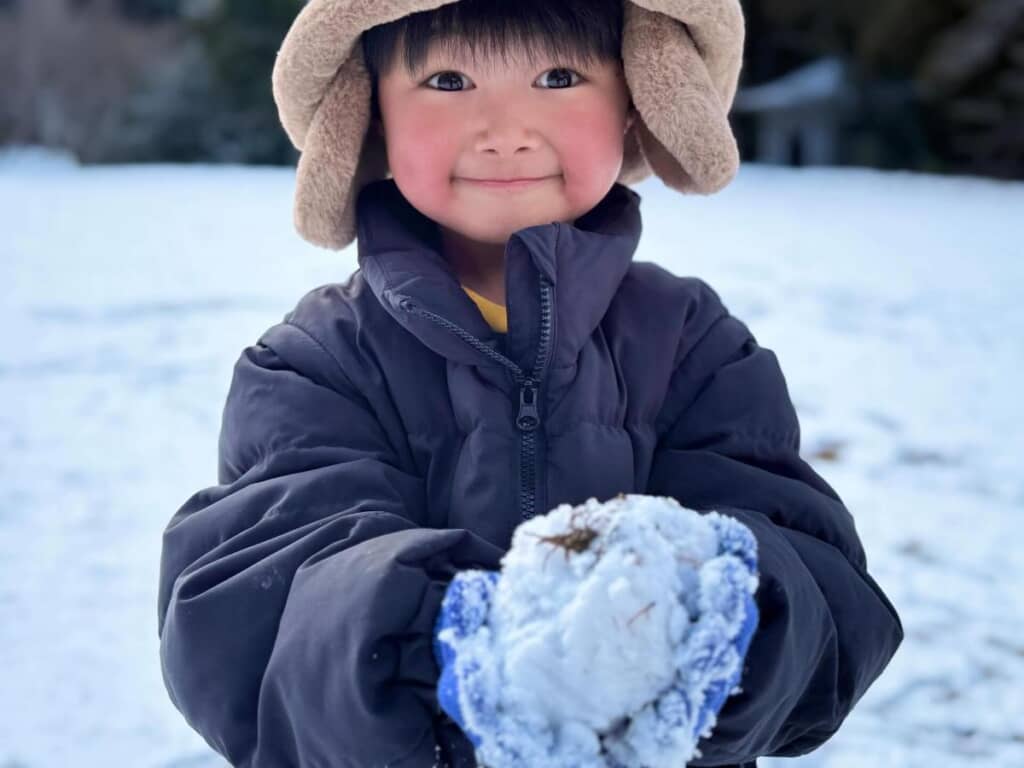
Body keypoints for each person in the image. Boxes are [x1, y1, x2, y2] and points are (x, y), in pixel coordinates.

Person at [157, 1, 904, 767]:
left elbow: (826, 590)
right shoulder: (314, 361)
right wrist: (449, 647)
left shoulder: (695, 344)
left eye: (559, 76)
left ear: (638, 101)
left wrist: (724, 614)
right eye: (449, 79)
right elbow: (251, 612)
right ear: (370, 113)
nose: (506, 128)